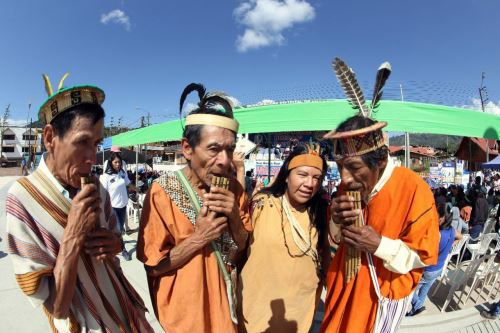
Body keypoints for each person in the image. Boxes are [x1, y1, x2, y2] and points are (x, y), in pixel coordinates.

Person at [6, 74, 153, 332]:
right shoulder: (22, 199)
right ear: (50, 137)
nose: (91, 157)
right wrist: (73, 235)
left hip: (125, 315)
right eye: (82, 142)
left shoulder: (96, 186)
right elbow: (56, 308)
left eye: (96, 144)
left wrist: (114, 243)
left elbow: (114, 246)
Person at [320, 58, 440, 333]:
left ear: (380, 162)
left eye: (353, 167)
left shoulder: (414, 188)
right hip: (343, 286)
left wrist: (378, 244)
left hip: (381, 294)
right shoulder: (346, 188)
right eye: (340, 168)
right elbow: (335, 239)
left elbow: (423, 256)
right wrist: (336, 221)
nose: (345, 178)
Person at [136, 83, 251, 333]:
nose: (224, 161)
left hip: (228, 315)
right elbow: (153, 267)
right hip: (186, 318)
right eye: (213, 149)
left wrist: (233, 215)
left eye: (229, 149)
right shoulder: (161, 192)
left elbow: (241, 251)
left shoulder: (235, 190)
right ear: (187, 148)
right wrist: (199, 238)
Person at [238, 144, 330, 333]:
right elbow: (238, 243)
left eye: (316, 178)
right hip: (256, 314)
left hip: (300, 316)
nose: (310, 184)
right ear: (286, 176)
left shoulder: (322, 214)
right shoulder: (262, 204)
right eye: (302, 175)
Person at [407, 203, 461, 316]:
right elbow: (460, 237)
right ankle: (415, 313)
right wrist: (450, 245)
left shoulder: (437, 234)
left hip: (429, 269)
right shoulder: (452, 230)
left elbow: (424, 250)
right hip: (439, 268)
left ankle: (418, 306)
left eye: (435, 214)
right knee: (424, 291)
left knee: (408, 288)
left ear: (441, 218)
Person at [100, 152, 134, 260]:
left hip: (123, 206)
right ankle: (122, 250)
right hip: (113, 208)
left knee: (119, 230)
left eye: (119, 162)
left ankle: (113, 246)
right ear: (111, 163)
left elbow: (128, 184)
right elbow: (102, 193)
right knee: (118, 230)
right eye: (116, 162)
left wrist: (136, 188)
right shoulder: (106, 177)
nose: (118, 164)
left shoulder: (122, 173)